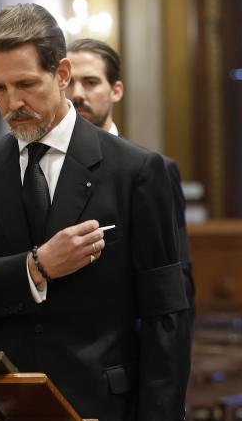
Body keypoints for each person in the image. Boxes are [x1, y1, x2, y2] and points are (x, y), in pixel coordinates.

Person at [0, 4, 191, 421]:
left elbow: (167, 314)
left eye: (26, 85)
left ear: (62, 73)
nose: (12, 103)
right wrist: (35, 268)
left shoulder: (136, 171)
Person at [66, 37, 195, 318]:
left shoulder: (152, 168)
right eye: (68, 83)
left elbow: (174, 278)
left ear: (116, 90)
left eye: (90, 82)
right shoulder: (44, 166)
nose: (77, 94)